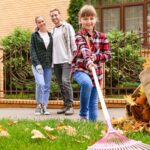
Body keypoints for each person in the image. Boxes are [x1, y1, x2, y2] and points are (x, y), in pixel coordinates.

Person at [71, 5, 111, 121]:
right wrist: (89, 61)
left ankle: (93, 127)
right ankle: (83, 115)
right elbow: (84, 50)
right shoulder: (78, 36)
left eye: (91, 18)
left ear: (96, 19)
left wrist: (96, 57)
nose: (89, 21)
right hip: (81, 69)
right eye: (85, 19)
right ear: (80, 21)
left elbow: (108, 55)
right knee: (86, 84)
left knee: (93, 103)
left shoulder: (102, 37)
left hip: (97, 73)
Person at [49, 8, 76, 115]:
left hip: (66, 60)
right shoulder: (53, 31)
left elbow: (73, 42)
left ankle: (70, 106)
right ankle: (65, 105)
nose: (54, 17)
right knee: (60, 84)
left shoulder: (67, 27)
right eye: (52, 16)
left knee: (65, 81)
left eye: (56, 15)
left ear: (60, 15)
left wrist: (73, 57)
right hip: (56, 61)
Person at [30, 16, 53, 115]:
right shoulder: (34, 35)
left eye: (43, 21)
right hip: (37, 65)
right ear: (37, 24)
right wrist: (37, 63)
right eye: (39, 22)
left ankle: (44, 107)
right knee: (40, 84)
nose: (41, 23)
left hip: (48, 64)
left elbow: (52, 50)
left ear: (45, 21)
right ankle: (39, 106)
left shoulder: (50, 35)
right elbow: (32, 50)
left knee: (47, 86)